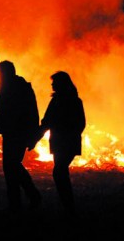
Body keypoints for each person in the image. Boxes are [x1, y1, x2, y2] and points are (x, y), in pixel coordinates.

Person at [0, 60, 42, 213]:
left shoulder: (21, 88)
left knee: (12, 166)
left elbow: (33, 114)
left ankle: (29, 197)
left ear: (8, 72)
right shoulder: (5, 88)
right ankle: (22, 200)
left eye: (0, 73)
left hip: (18, 134)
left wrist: (33, 136)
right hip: (9, 134)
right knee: (11, 168)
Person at [37, 71, 86, 217]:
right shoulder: (62, 100)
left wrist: (68, 133)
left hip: (65, 142)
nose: (52, 84)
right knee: (60, 172)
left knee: (59, 172)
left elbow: (80, 124)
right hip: (61, 142)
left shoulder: (71, 101)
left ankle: (69, 208)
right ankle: (67, 206)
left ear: (62, 83)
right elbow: (47, 122)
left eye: (54, 82)